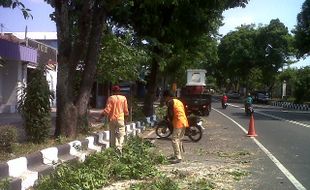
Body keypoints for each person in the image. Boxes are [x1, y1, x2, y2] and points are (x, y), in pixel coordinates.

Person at [97, 85, 129, 152]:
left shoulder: (111, 98)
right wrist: (126, 120)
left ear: (112, 91)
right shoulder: (123, 98)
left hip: (112, 119)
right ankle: (119, 147)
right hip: (121, 119)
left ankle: (114, 148)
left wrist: (99, 118)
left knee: (112, 135)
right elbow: (126, 110)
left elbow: (107, 110)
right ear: (119, 91)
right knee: (121, 134)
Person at [162, 90, 189, 164]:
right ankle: (177, 155)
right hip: (183, 121)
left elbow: (170, 115)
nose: (165, 100)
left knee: (174, 140)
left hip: (178, 122)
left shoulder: (171, 102)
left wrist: (167, 126)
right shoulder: (178, 101)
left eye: (165, 98)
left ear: (167, 97)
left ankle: (178, 157)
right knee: (179, 139)